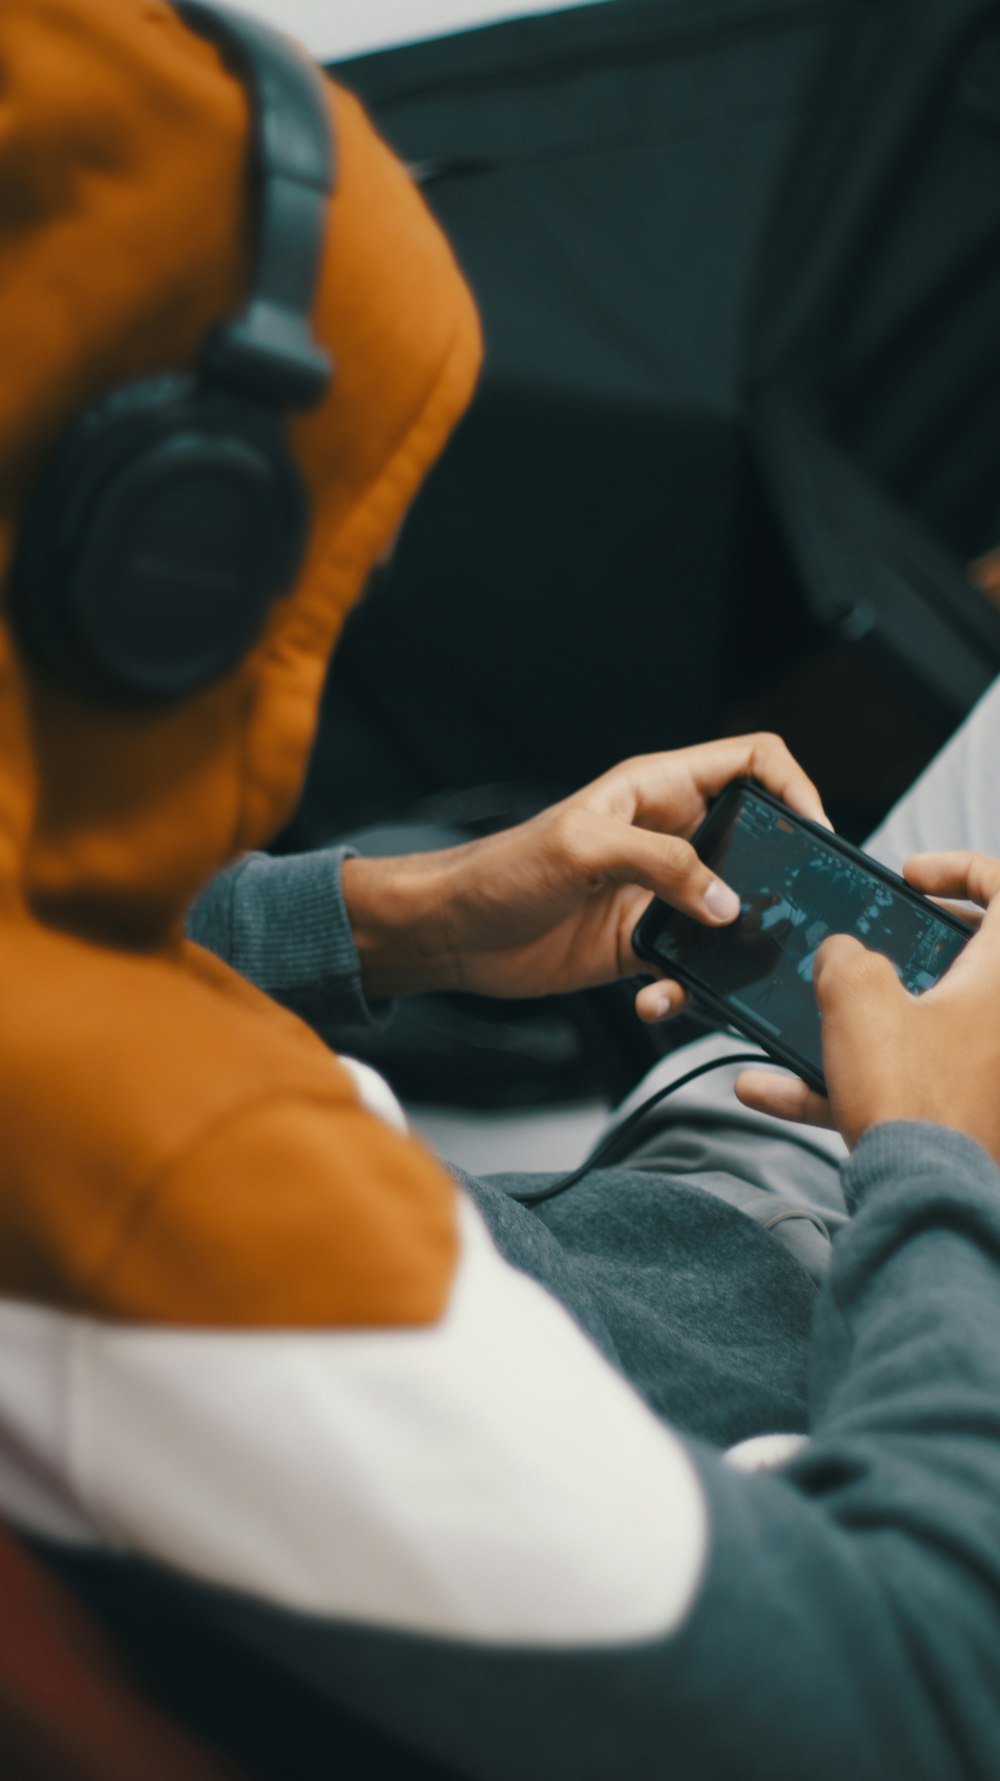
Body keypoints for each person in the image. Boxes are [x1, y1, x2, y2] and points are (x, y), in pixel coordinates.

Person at [4, 5, 1000, 1780]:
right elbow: (913, 1699)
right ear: (159, 555)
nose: (360, 577)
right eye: (329, 550)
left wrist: (410, 914)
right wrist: (950, 1166)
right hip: (856, 1325)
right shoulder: (173, 1205)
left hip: (657, 1228)